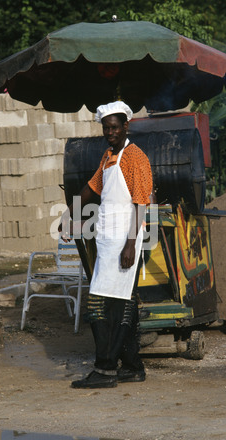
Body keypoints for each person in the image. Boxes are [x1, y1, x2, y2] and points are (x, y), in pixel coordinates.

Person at [59, 101, 153, 388]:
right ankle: (133, 366)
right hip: (109, 240)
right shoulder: (108, 158)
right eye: (106, 128)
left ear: (126, 126)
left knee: (100, 304)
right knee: (123, 304)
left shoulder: (136, 158)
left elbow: (140, 204)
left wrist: (130, 245)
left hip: (126, 242)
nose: (110, 132)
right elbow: (91, 188)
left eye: (115, 127)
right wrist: (68, 214)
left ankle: (105, 369)